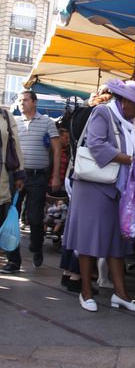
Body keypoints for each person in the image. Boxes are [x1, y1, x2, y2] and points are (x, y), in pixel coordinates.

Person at [62, 79, 135, 312]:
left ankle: (121, 294)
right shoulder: (102, 113)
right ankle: (85, 292)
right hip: (93, 186)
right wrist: (130, 160)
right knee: (87, 240)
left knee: (118, 241)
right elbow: (96, 145)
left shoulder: (129, 121)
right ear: (125, 101)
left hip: (117, 187)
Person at [1, 91, 61, 273]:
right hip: (15, 176)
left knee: (35, 219)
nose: (21, 103)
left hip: (38, 177)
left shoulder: (47, 122)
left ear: (34, 102)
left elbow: (57, 149)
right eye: (19, 100)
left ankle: (36, 246)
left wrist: (56, 175)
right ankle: (14, 260)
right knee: (12, 217)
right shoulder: (14, 121)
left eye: (25, 100)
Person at [0, 107, 25, 246]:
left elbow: (15, 145)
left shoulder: (5, 116)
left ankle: (13, 259)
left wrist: (19, 174)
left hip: (2, 177)